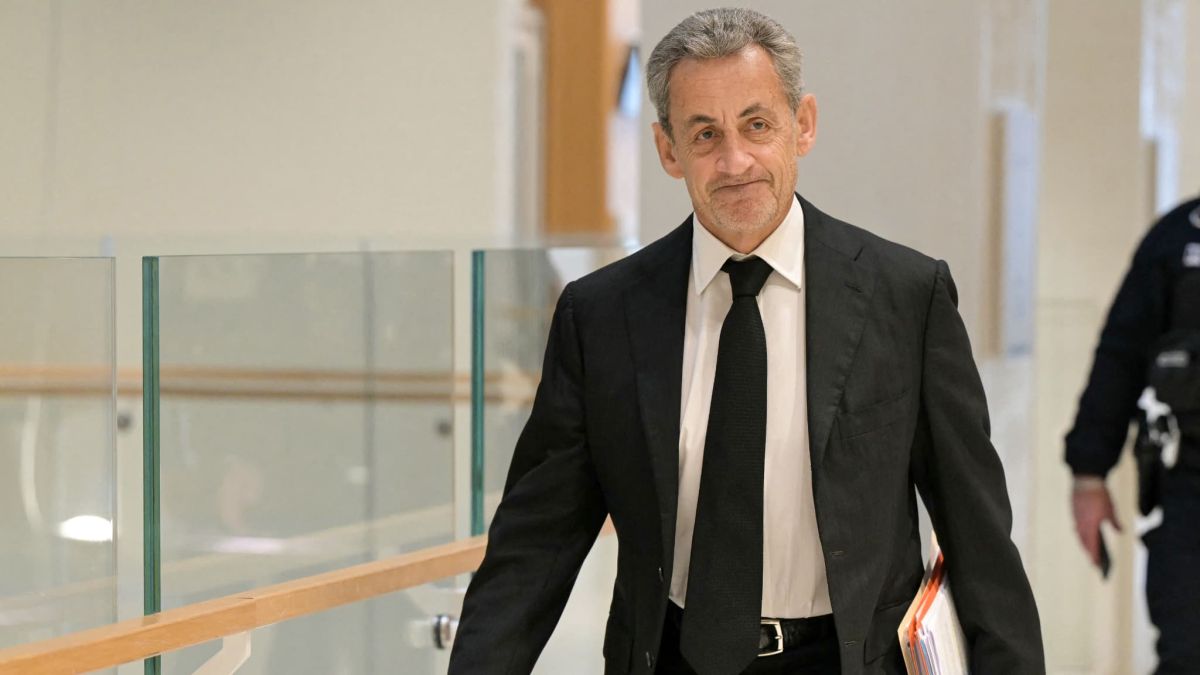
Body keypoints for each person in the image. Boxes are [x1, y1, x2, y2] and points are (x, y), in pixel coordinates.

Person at [449, 8, 1044, 675]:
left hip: (848, 660)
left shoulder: (905, 297)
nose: (734, 162)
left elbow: (978, 539)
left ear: (803, 124)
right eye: (705, 134)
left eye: (757, 125)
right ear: (668, 150)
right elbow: (534, 545)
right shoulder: (602, 316)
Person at [1066, 194, 1200, 675]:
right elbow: (1121, 356)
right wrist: (1088, 473)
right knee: (1187, 649)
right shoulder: (1180, 236)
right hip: (1193, 486)